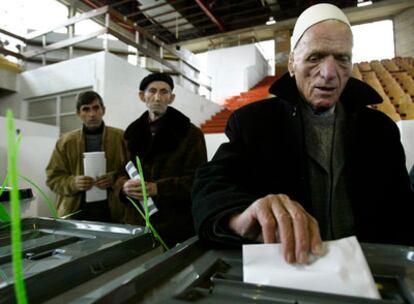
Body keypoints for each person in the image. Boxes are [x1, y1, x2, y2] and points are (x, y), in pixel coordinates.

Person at [192, 3, 414, 264]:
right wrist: (240, 216)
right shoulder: (254, 123)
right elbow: (210, 185)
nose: (329, 73)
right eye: (315, 57)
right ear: (292, 64)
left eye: (342, 58)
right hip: (288, 274)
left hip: (368, 273)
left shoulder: (380, 130)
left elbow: (402, 213)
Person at [121, 73, 207, 248]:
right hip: (137, 223)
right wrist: (123, 187)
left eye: (164, 92)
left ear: (171, 98)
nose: (157, 97)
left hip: (175, 224)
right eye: (152, 91)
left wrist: (159, 188)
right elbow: (119, 172)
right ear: (142, 96)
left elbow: (199, 180)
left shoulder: (191, 134)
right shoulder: (130, 134)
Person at [46, 90, 128, 222]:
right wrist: (73, 183)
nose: (92, 114)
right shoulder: (65, 142)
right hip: (75, 214)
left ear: (103, 110)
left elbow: (133, 171)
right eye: (86, 109)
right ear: (78, 113)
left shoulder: (121, 138)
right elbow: (53, 179)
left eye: (96, 108)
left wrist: (113, 178)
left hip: (114, 213)